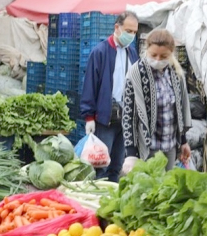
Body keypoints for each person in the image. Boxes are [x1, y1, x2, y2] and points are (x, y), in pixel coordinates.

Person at [121, 29, 192, 174]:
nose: (158, 60)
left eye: (164, 56)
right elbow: (128, 116)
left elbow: (179, 110)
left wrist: (183, 141)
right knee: (146, 191)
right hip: (147, 149)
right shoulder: (136, 74)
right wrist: (130, 153)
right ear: (146, 50)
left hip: (170, 147)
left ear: (171, 53)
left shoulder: (176, 74)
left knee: (165, 190)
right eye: (153, 55)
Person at [80, 11, 140, 182]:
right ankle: (97, 197)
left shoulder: (133, 54)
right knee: (101, 164)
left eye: (134, 32)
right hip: (106, 117)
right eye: (128, 31)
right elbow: (90, 85)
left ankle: (111, 197)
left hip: (126, 119)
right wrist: (89, 117)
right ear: (117, 28)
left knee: (118, 165)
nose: (131, 35)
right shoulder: (100, 52)